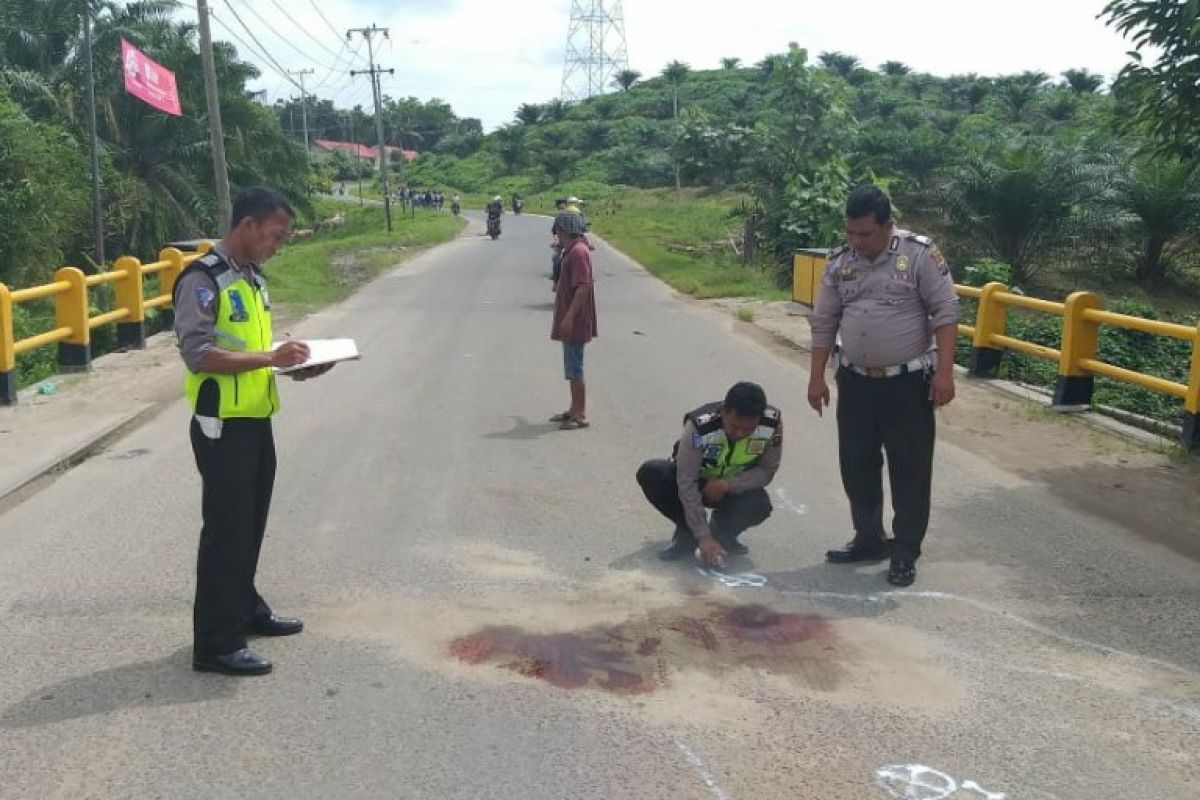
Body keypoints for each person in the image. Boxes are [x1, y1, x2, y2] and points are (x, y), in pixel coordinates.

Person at [173, 186, 334, 676]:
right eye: (274, 234)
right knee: (227, 531)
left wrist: (293, 366)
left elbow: (253, 349)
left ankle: (244, 610)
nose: (277, 244)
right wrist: (269, 357)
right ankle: (216, 643)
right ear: (246, 225)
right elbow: (198, 352)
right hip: (221, 424)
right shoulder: (202, 279)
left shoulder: (251, 279)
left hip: (254, 417)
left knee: (250, 524)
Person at [807, 185, 959, 587]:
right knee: (856, 465)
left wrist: (945, 374)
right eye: (850, 234)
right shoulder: (840, 262)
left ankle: (905, 550)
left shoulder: (920, 255)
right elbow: (824, 321)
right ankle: (869, 538)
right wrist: (815, 377)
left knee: (909, 469)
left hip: (907, 383)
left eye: (865, 234)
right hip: (855, 381)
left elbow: (945, 313)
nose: (857, 242)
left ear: (888, 226)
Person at [637, 382, 782, 566]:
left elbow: (766, 471)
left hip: (731, 487)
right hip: (696, 483)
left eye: (748, 429)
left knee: (759, 504)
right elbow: (686, 481)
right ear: (723, 413)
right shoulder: (699, 428)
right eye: (734, 426)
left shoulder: (772, 425)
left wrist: (728, 484)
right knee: (652, 473)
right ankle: (689, 533)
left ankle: (722, 534)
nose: (739, 433)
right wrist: (702, 535)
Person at [549, 210, 596, 430]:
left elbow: (583, 287)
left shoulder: (578, 252)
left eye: (558, 230)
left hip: (575, 318)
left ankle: (580, 414)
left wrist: (569, 317)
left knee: (575, 367)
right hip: (572, 317)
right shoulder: (572, 250)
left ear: (565, 230)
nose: (556, 234)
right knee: (571, 366)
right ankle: (573, 409)